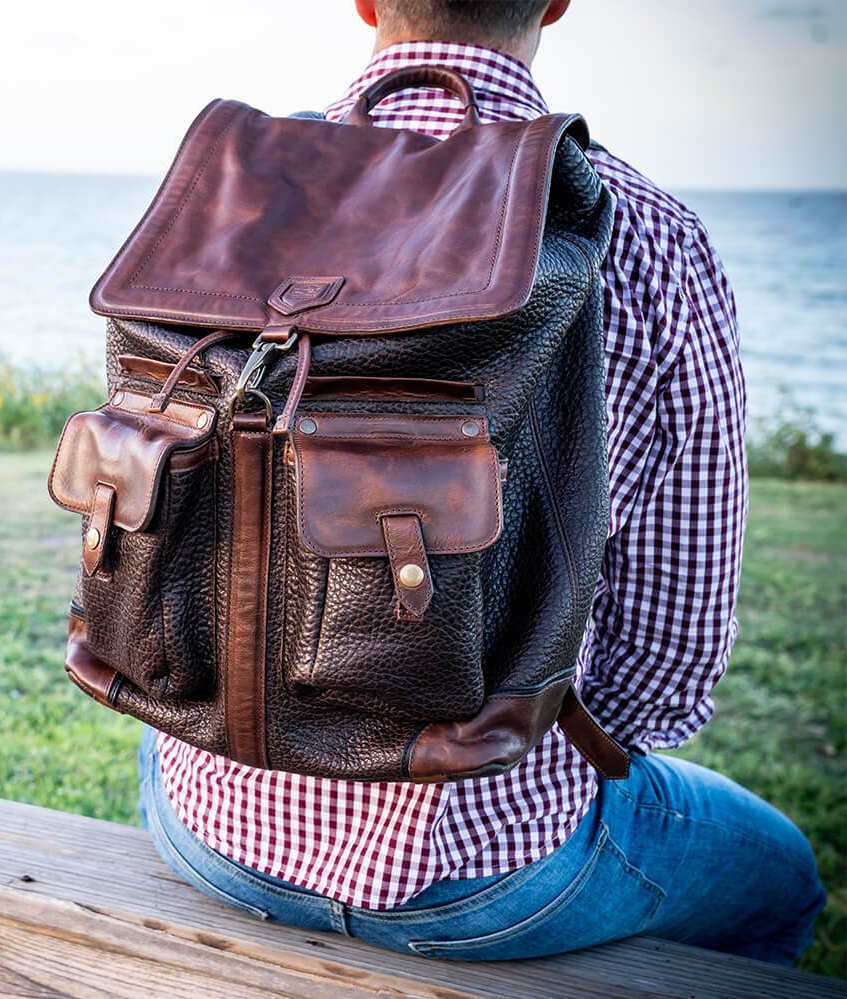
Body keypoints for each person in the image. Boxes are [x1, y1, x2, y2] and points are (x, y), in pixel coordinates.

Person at [137, 0, 825, 965]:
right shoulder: (647, 234)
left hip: (210, 819)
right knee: (786, 879)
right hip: (482, 868)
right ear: (555, 3)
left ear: (366, 3)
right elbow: (671, 653)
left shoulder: (241, 193)